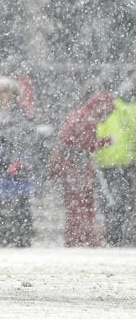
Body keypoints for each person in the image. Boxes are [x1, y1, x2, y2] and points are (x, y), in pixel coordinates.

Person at [48, 90, 115, 246]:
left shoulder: (80, 115)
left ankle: (79, 236)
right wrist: (105, 142)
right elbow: (83, 143)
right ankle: (80, 236)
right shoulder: (86, 118)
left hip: (73, 166)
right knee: (81, 203)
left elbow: (69, 140)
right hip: (76, 167)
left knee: (78, 203)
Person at [0, 76, 36, 247]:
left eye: (7, 92)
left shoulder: (19, 112)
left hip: (16, 160)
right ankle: (2, 233)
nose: (4, 96)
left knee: (21, 198)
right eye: (1, 93)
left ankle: (23, 235)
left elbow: (26, 132)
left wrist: (14, 151)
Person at [91, 90, 136, 246]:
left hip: (112, 164)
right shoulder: (125, 111)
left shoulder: (102, 112)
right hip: (123, 163)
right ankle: (119, 235)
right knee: (122, 201)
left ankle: (114, 236)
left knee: (115, 202)